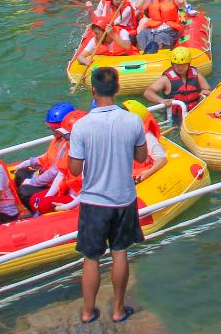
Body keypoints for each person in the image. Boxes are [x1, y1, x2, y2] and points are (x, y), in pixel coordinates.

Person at [70, 67, 148, 326]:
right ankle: (117, 309)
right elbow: (141, 157)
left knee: (91, 258)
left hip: (94, 200)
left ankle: (88, 312)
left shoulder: (81, 126)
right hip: (123, 198)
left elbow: (75, 169)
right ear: (117, 89)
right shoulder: (133, 121)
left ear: (93, 90)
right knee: (119, 251)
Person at [14, 103, 76, 212]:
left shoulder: (67, 145)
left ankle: (35, 212)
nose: (53, 130)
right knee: (20, 174)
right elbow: (47, 157)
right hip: (50, 179)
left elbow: (55, 173)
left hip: (59, 186)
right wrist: (29, 162)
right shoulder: (59, 140)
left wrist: (32, 182)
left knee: (24, 191)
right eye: (51, 127)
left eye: (55, 128)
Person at [143, 47, 210, 118]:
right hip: (174, 117)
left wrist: (205, 92)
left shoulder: (196, 74)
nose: (180, 67)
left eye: (183, 64)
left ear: (188, 64)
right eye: (177, 65)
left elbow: (207, 89)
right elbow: (148, 92)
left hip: (194, 114)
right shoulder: (166, 79)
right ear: (172, 64)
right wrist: (162, 101)